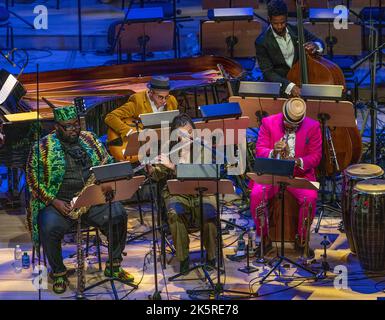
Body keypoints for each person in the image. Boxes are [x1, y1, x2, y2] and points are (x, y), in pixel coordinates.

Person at [26, 106, 133, 294]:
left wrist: (108, 182)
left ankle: (114, 264)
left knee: (118, 214)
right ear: (57, 127)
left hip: (90, 197)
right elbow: (33, 181)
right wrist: (54, 201)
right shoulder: (42, 147)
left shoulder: (90, 139)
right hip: (60, 202)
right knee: (48, 226)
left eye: (77, 124)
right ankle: (58, 272)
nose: (74, 129)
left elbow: (106, 162)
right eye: (68, 126)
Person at [249, 98, 322, 258]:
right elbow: (260, 150)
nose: (290, 127)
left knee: (310, 198)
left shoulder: (313, 126)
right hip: (272, 173)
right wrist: (273, 151)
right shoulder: (268, 122)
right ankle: (264, 237)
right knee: (256, 195)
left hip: (299, 174)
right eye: (288, 123)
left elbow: (316, 156)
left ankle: (301, 239)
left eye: (295, 125)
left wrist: (297, 161)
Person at [147, 113, 217, 274]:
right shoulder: (169, 150)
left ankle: (211, 257)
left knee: (209, 213)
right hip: (176, 193)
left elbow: (202, 172)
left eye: (190, 132)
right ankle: (183, 258)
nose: (187, 137)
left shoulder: (203, 148)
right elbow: (158, 176)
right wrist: (150, 168)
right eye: (183, 134)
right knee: (174, 213)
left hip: (201, 192)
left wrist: (173, 166)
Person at [255, 0, 324, 97]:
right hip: (280, 88)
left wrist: (316, 45)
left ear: (287, 18)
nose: (279, 26)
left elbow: (320, 42)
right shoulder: (261, 41)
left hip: (303, 80)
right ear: (269, 19)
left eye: (282, 22)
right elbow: (268, 72)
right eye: (275, 23)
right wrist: (289, 86)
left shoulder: (297, 30)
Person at [104, 76, 178, 139]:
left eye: (166, 97)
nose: (164, 101)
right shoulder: (137, 101)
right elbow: (111, 117)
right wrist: (128, 132)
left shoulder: (171, 100)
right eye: (160, 97)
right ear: (151, 93)